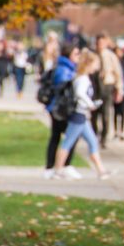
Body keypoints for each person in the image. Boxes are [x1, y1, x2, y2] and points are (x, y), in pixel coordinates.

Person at [53, 50, 111, 180]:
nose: (97, 67)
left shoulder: (81, 77)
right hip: (78, 115)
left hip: (82, 116)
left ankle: (101, 170)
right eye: (96, 64)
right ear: (89, 63)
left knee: (92, 141)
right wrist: (90, 104)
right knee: (67, 143)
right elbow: (80, 93)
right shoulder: (82, 78)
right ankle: (58, 170)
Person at [44, 44, 82, 180]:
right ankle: (58, 166)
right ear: (69, 54)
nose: (79, 57)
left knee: (61, 137)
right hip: (60, 109)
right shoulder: (65, 69)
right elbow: (63, 88)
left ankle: (57, 167)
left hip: (59, 108)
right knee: (64, 137)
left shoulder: (67, 67)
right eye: (76, 54)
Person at [92, 33, 124, 148]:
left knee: (106, 114)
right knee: (94, 115)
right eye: (98, 42)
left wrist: (119, 89)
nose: (100, 45)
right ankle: (94, 136)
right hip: (95, 88)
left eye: (102, 42)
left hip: (107, 86)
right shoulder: (93, 55)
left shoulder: (110, 56)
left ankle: (104, 138)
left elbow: (118, 73)